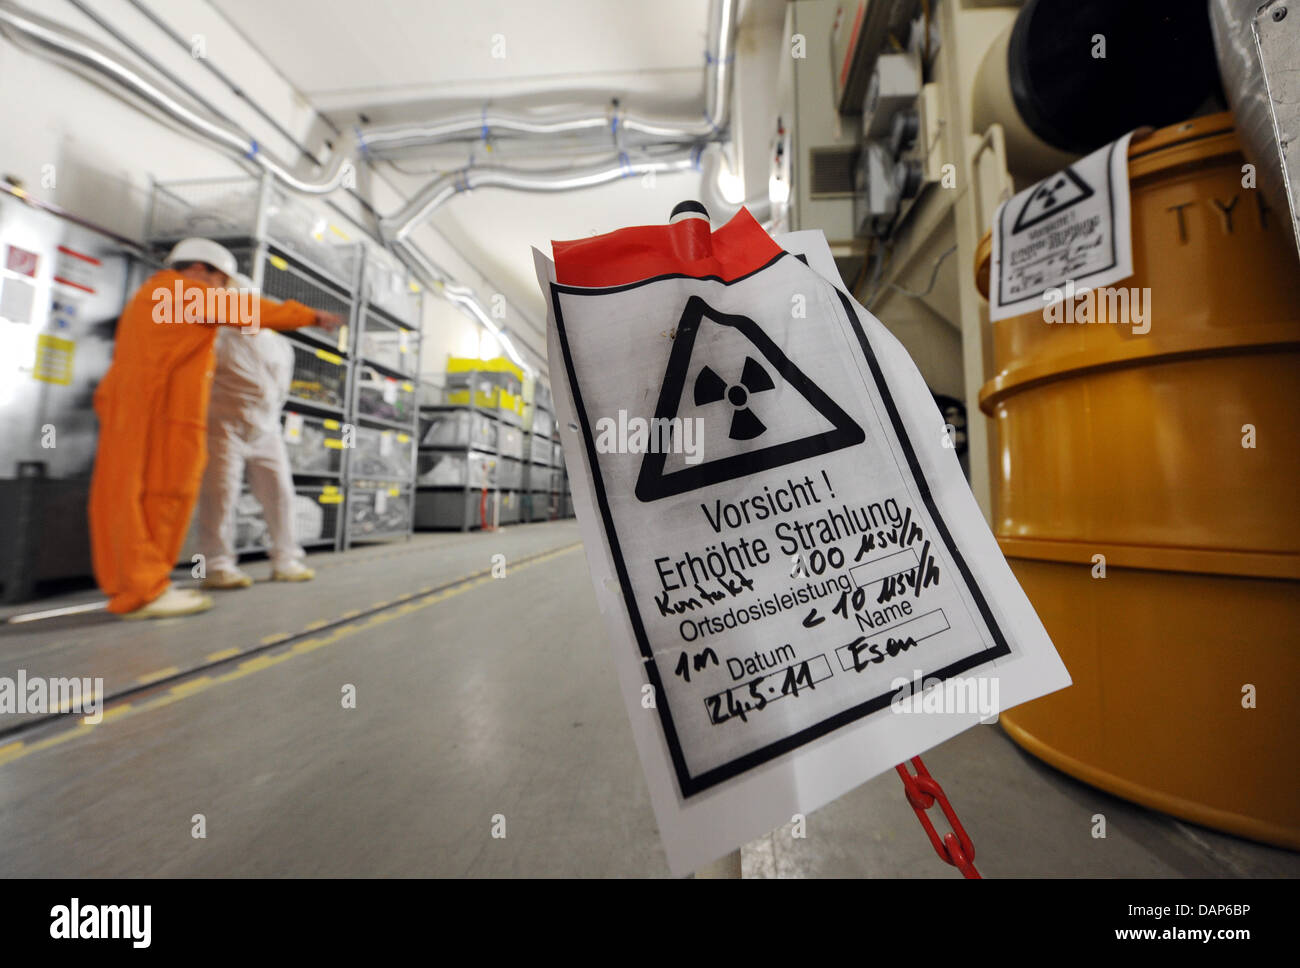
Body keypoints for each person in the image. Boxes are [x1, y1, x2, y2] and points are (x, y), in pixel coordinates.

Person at [88, 238, 341, 620]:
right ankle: (144, 590)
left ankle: (144, 586)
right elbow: (244, 310)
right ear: (206, 271)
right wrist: (308, 315)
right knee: (156, 496)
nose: (222, 291)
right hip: (158, 412)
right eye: (222, 284)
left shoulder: (160, 296)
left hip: (159, 410)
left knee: (146, 495)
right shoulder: (177, 292)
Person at [198, 276, 316, 589]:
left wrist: (268, 418)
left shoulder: (277, 344)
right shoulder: (215, 339)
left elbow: (280, 388)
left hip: (266, 428)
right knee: (220, 495)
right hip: (223, 426)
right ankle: (217, 565)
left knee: (280, 494)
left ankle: (285, 559)